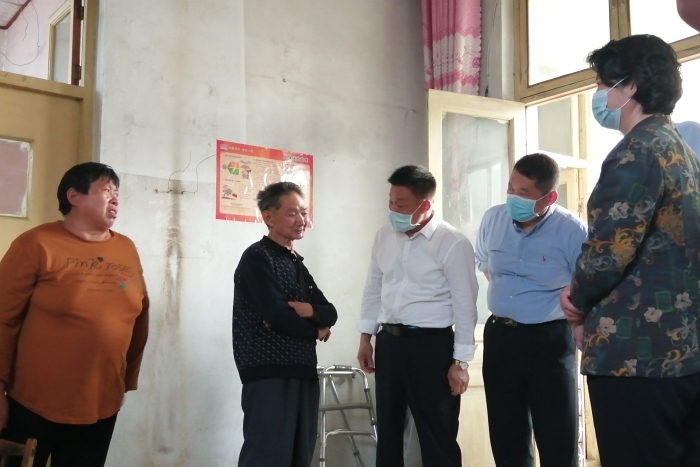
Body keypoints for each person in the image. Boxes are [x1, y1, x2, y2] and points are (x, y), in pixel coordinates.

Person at [560, 34, 700, 467]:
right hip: (682, 349)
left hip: (635, 353)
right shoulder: (681, 150)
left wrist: (576, 301)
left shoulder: (636, 151)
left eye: (603, 84)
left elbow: (608, 252)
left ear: (630, 86)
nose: (599, 95)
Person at [0, 162, 149, 467]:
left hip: (101, 404)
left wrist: (125, 380)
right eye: (106, 190)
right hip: (32, 403)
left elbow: (140, 315)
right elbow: (3, 318)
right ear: (74, 196)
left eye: (117, 192)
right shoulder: (36, 243)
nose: (115, 198)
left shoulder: (126, 248)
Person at [356, 165, 478, 467]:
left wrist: (460, 363)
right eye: (391, 201)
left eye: (401, 204)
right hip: (389, 343)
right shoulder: (384, 236)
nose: (393, 210)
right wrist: (365, 339)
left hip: (431, 347)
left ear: (425, 205)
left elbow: (465, 306)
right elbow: (373, 289)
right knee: (388, 430)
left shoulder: (452, 242)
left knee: (438, 432)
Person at [475, 153, 587, 467]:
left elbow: (586, 285)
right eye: (511, 188)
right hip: (501, 336)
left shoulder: (572, 231)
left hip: (550, 339)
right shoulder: (493, 220)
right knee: (506, 434)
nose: (513, 197)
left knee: (557, 434)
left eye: (523, 193)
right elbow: (486, 266)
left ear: (549, 197)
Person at [232, 182, 337, 467]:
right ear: (268, 216)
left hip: (302, 369)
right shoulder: (257, 257)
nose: (301, 220)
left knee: (300, 454)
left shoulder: (295, 262)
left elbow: (331, 312)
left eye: (303, 212)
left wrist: (309, 310)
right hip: (268, 371)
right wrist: (315, 330)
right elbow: (277, 314)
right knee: (267, 455)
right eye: (292, 213)